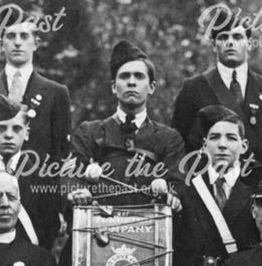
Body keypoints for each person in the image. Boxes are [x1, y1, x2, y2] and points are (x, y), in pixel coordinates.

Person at [172, 105, 260, 266]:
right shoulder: (185, 192)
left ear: (243, 146)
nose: (222, 145)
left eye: (231, 138)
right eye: (214, 137)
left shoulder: (256, 192)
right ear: (203, 146)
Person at [68, 39, 184, 210]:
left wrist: (169, 192)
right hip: (97, 228)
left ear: (151, 87)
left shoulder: (169, 139)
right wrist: (79, 191)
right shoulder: (89, 132)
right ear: (114, 87)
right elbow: (70, 177)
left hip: (148, 231)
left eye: (139, 76)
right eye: (124, 76)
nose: (131, 82)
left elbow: (179, 185)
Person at [170, 4, 262, 163]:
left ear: (249, 44)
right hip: (207, 181)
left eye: (237, 37)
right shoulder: (193, 88)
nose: (230, 43)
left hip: (256, 181)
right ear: (213, 45)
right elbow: (178, 143)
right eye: (223, 37)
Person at [0, 8, 71, 165]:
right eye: (11, 36)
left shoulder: (56, 93)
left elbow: (61, 154)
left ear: (36, 43)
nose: (17, 42)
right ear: (1, 44)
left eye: (24, 36)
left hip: (37, 185)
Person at [0, 95, 62, 250]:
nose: (9, 135)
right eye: (1, 128)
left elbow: (50, 228)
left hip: (29, 263)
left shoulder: (42, 178)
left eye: (16, 129)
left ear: (27, 133)